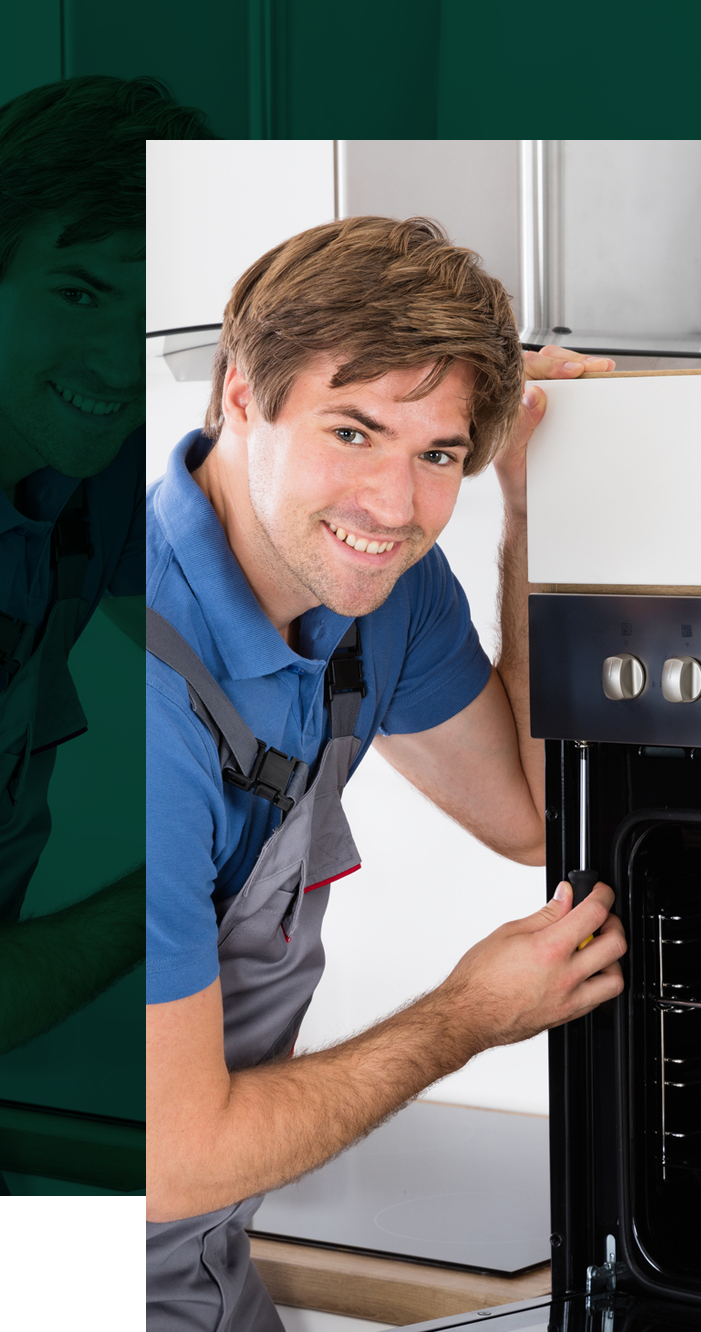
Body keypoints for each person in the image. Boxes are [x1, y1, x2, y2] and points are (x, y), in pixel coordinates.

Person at [146, 214, 626, 1329]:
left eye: (439, 454)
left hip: (201, 1256)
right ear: (238, 395)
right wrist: (466, 1013)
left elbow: (533, 816)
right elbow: (167, 1155)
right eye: (352, 432)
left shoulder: (382, 593)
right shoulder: (135, 691)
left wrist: (532, 501)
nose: (396, 507)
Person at [0, 75, 214, 1191]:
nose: (113, 364)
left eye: (142, 316)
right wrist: (190, 884)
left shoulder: (72, 470)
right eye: (77, 293)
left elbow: (218, 634)